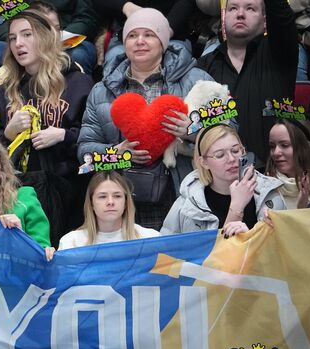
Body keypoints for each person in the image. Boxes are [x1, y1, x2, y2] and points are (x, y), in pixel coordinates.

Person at [77, 7, 213, 230]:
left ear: (163, 41)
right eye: (132, 35)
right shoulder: (101, 90)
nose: (140, 41)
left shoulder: (197, 80)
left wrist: (194, 130)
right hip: (123, 202)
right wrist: (116, 154)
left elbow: (229, 131)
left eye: (149, 34)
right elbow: (84, 152)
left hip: (183, 194)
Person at [0, 10, 94, 240]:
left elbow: (97, 138)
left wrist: (64, 135)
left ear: (47, 38)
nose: (19, 44)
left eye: (27, 34)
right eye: (13, 38)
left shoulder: (78, 82)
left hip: (70, 190)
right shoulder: (4, 92)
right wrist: (8, 133)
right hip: (19, 194)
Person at [197, 0, 298, 167]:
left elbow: (282, 16)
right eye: (233, 8)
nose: (240, 14)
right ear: (224, 17)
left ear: (265, 20)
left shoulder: (280, 52)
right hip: (220, 179)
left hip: (275, 175)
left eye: (250, 8)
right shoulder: (203, 67)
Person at [160, 124, 286, 237]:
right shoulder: (188, 205)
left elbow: (282, 250)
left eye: (236, 150)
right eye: (220, 155)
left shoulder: (269, 194)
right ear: (204, 163)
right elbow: (167, 252)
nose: (231, 159)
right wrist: (236, 208)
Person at [0, 0, 99, 73]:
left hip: (65, 36)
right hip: (20, 36)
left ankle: (74, 103)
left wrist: (52, 39)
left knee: (79, 55)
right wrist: (22, 38)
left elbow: (87, 18)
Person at [59, 171, 160, 249]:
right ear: (91, 204)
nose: (110, 202)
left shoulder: (152, 239)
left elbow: (168, 274)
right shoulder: (71, 242)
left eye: (117, 196)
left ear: (126, 202)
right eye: (102, 197)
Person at [266, 119, 310, 209]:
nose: (276, 152)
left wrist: (302, 209)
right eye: (272, 146)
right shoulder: (262, 186)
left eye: (284, 145)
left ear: (305, 147)